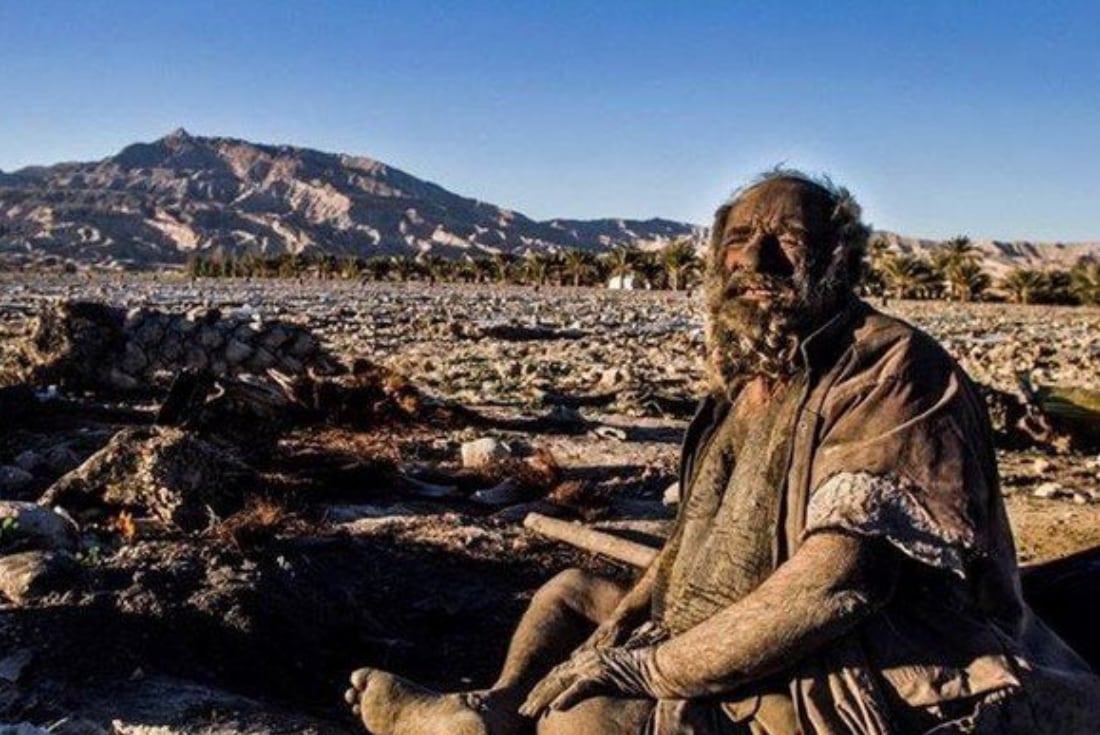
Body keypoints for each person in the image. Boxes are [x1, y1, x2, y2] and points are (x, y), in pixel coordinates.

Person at [345, 173, 1100, 734]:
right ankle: (497, 706)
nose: (760, 259)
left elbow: (836, 585)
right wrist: (626, 623)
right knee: (573, 594)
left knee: (590, 721)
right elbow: (687, 546)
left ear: (839, 257)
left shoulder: (892, 367)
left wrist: (640, 665)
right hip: (720, 624)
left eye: (789, 242)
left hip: (860, 656)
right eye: (740, 241)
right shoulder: (741, 389)